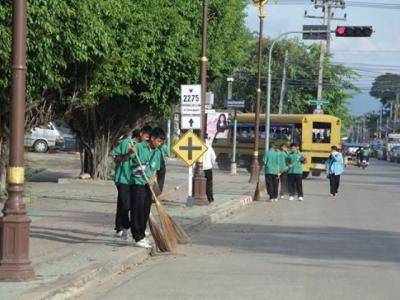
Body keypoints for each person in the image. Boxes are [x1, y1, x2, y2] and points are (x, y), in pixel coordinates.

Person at [130, 127, 165, 248]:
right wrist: (131, 152)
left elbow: (155, 169)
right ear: (152, 138)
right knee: (137, 209)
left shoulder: (157, 152)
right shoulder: (139, 147)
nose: (160, 144)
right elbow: (129, 158)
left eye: (161, 142)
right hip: (137, 182)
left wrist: (151, 180)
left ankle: (142, 233)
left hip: (148, 184)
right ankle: (137, 236)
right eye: (159, 141)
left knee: (146, 209)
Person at [113, 129, 135, 239]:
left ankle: (124, 227)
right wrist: (129, 154)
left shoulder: (146, 147)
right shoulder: (127, 143)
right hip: (123, 179)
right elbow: (116, 158)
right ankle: (122, 227)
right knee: (124, 204)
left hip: (136, 180)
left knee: (128, 204)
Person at [202, 136, 217, 203]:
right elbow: (214, 158)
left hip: (200, 169)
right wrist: (212, 163)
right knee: (209, 183)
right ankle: (210, 198)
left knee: (200, 184)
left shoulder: (199, 146)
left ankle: (201, 196)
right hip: (208, 168)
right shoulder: (209, 148)